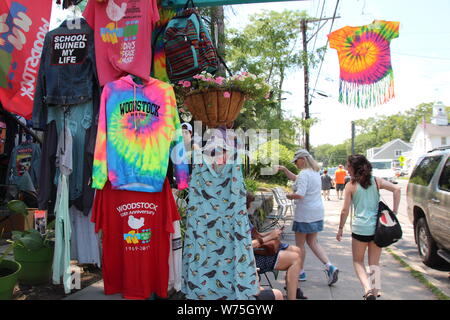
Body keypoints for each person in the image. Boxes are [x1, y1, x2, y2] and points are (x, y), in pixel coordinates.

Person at [336, 154, 401, 300]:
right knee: (374, 264)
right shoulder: (377, 181)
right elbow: (397, 190)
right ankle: (375, 291)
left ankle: (367, 289)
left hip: (360, 228)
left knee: (358, 261)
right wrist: (394, 212)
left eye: (348, 165)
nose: (346, 168)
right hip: (378, 229)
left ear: (354, 168)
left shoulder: (350, 186)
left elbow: (345, 210)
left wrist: (340, 228)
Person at [275, 149, 339, 286]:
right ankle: (330, 266)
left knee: (299, 245)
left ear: (303, 159)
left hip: (304, 213)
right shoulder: (315, 172)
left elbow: (300, 194)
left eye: (296, 161)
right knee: (313, 242)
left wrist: (289, 195)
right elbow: (295, 178)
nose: (296, 164)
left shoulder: (304, 174)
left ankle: (300, 271)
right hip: (316, 212)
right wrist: (285, 170)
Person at [247, 193, 306, 300]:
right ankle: (292, 295)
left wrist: (272, 233)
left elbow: (257, 235)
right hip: (255, 256)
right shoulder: (239, 222)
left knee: (297, 251)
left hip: (258, 250)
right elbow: (247, 245)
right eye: (250, 204)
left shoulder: (242, 218)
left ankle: (293, 288)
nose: (251, 207)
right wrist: (270, 237)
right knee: (295, 259)